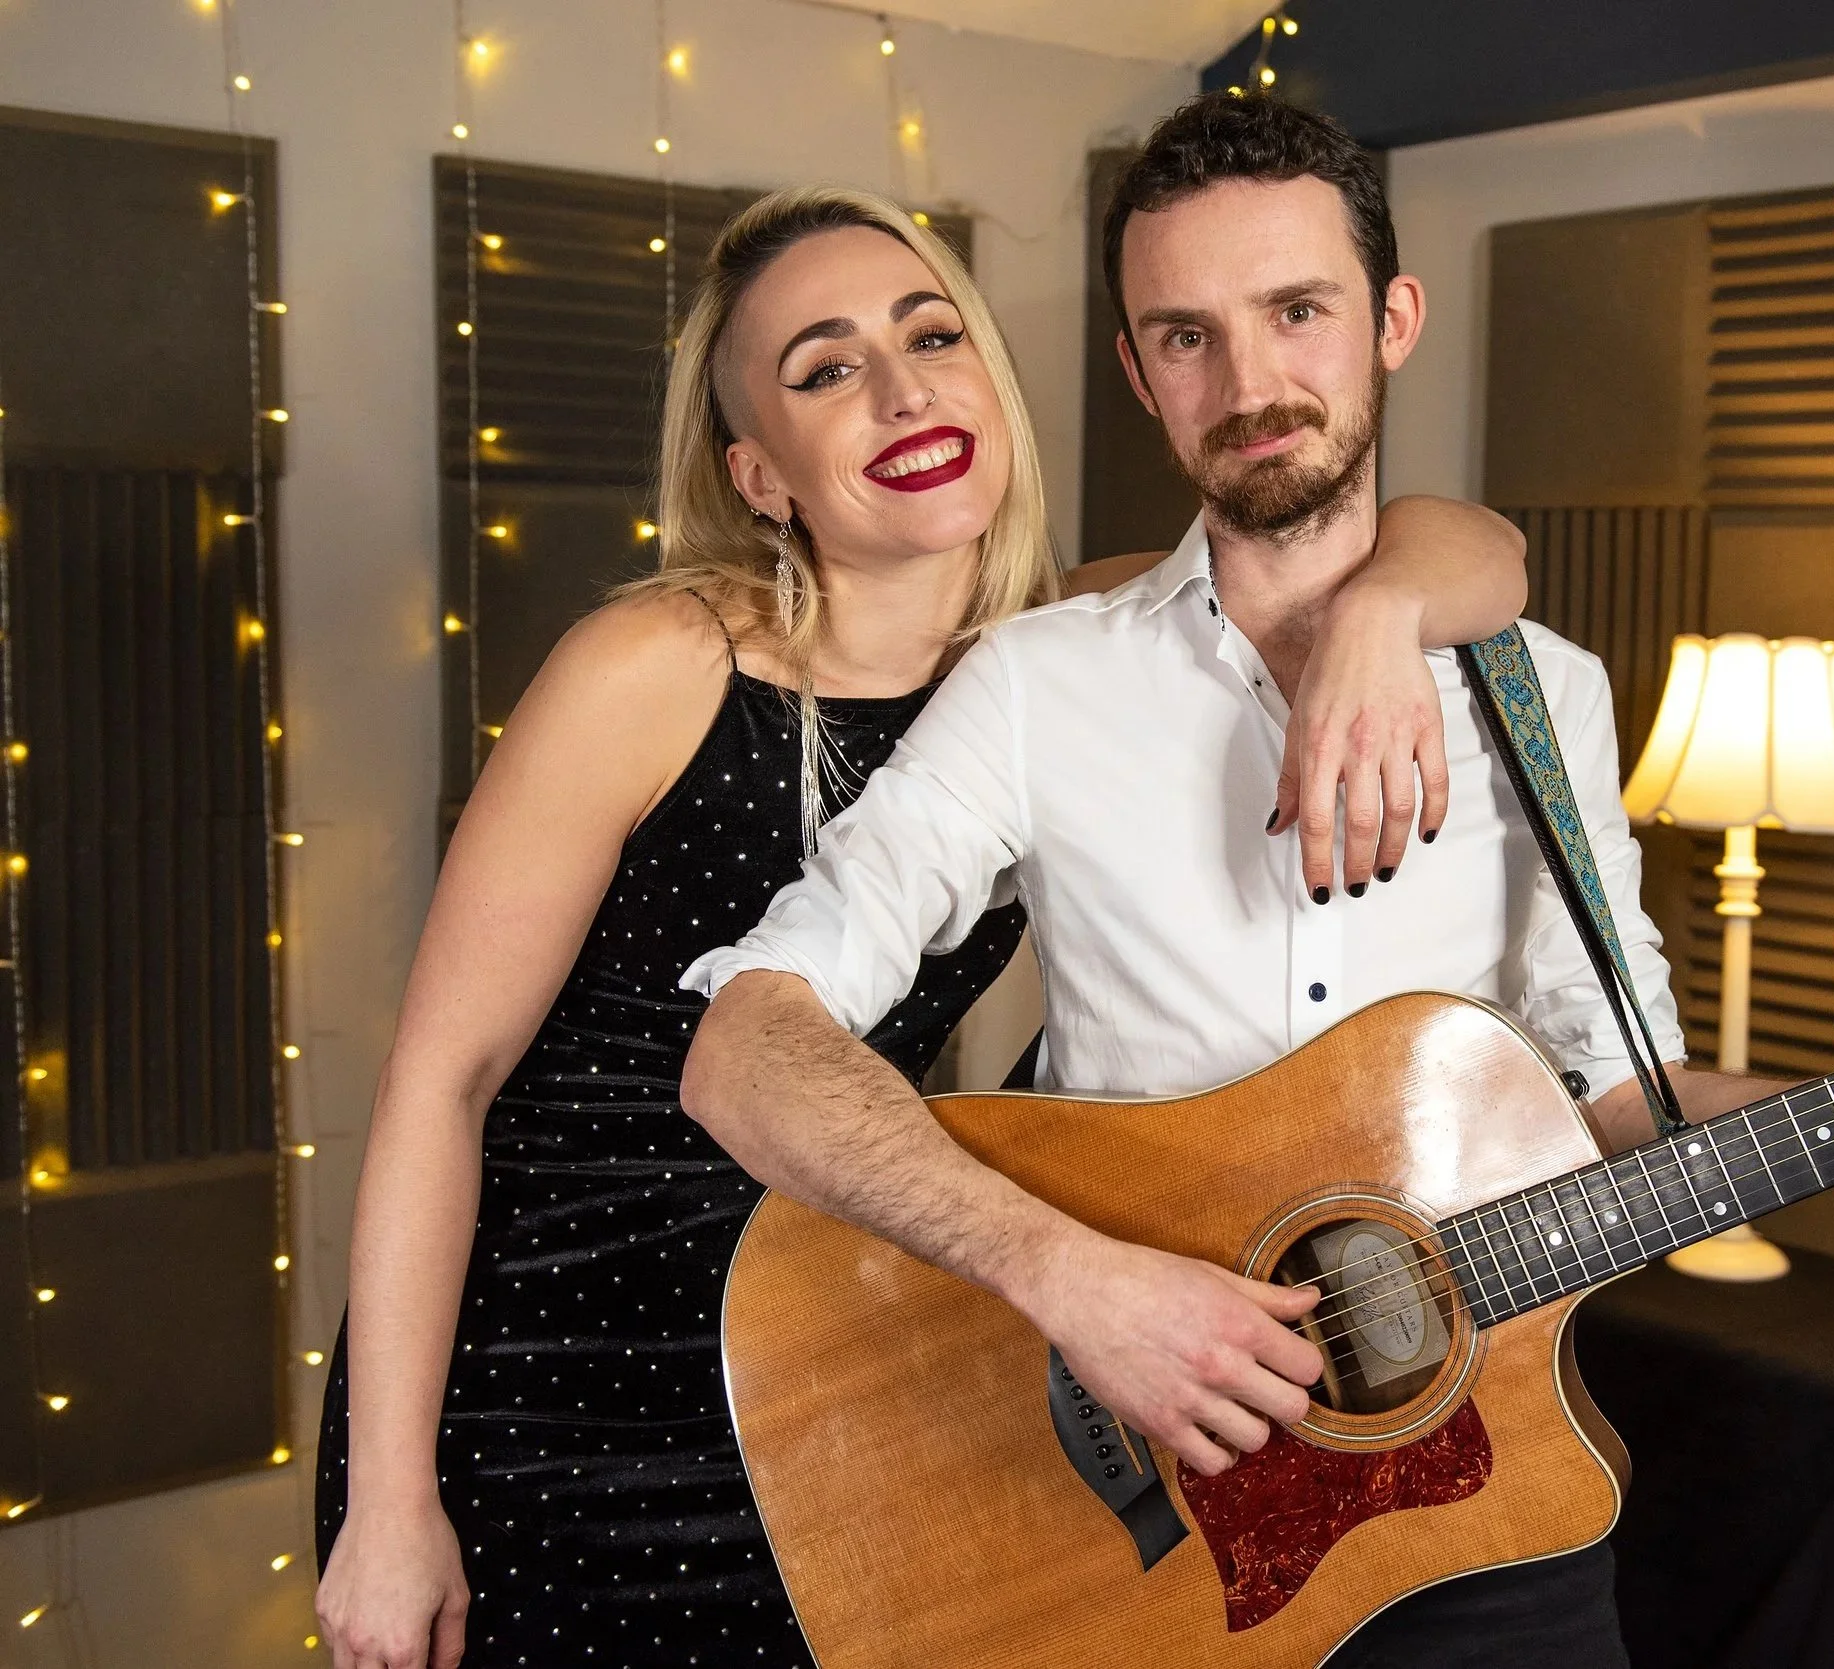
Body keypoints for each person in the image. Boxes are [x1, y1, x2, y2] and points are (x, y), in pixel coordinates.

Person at [675, 98, 1834, 1668]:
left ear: (1393, 319)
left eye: (1298, 312)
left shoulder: (1551, 698)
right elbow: (745, 1046)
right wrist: (1077, 1281)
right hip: (1138, 1534)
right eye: (1186, 337)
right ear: (1134, 371)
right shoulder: (1037, 687)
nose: (1251, 385)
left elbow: (1620, 1111)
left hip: (1477, 1522)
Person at [310, 182, 1531, 1669]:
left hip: (841, 1363)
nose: (902, 391)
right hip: (549, 1376)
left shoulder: (1064, 656)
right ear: (763, 474)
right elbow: (440, 1088)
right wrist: (388, 1500)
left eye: (931, 334)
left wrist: (1377, 616)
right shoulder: (655, 664)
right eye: (827, 369)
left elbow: (1477, 548)